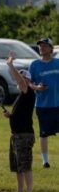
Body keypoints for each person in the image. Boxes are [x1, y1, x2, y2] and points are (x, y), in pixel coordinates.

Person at [4, 52, 35, 192]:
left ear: (28, 81)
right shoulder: (21, 96)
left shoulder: (27, 91)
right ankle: (20, 191)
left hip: (24, 135)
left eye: (23, 79)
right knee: (17, 166)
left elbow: (21, 82)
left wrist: (10, 65)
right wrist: (11, 115)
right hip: (16, 135)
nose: (19, 81)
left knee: (25, 165)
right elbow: (20, 113)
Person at [29, 37, 59, 168]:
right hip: (42, 105)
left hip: (57, 104)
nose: (41, 48)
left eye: (45, 46)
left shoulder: (57, 63)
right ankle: (45, 161)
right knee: (44, 133)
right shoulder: (34, 65)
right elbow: (28, 82)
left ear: (51, 49)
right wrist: (36, 87)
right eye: (40, 46)